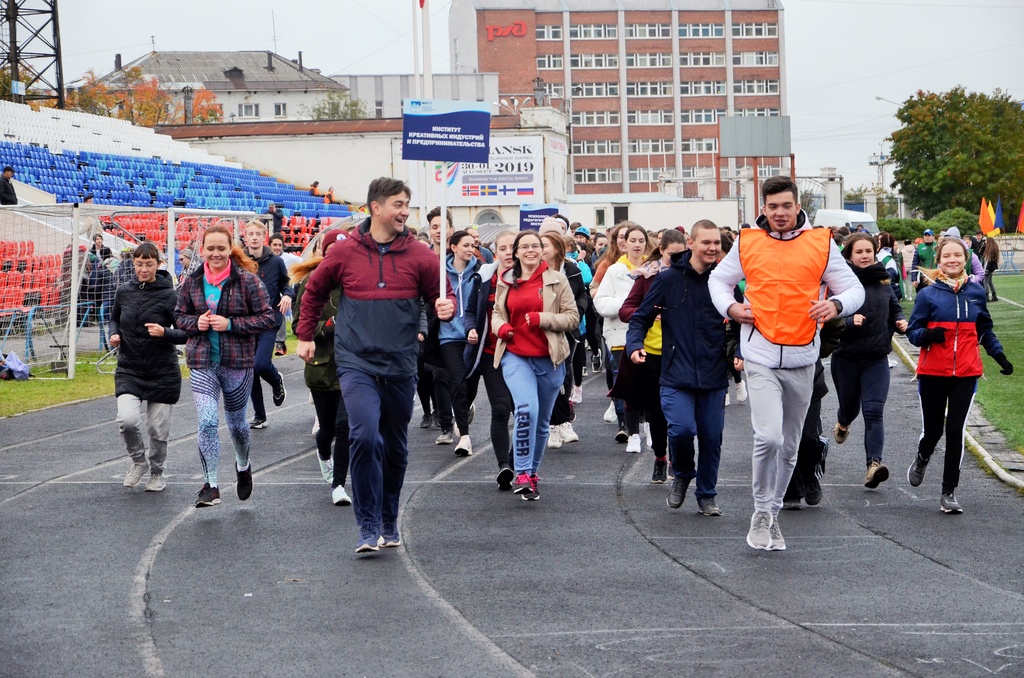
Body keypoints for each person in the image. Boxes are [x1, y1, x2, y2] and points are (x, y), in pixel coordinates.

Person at [296, 177, 455, 554]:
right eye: (398, 204)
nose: (404, 211)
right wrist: (304, 335)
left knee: (396, 448)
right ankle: (367, 526)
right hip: (356, 363)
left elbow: (442, 300)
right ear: (375, 207)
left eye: (407, 205)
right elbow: (315, 290)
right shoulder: (345, 252)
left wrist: (446, 307)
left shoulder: (421, 256)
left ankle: (388, 517)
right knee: (364, 436)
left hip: (400, 364)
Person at [709, 176, 864, 551]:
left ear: (797, 207)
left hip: (802, 358)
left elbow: (854, 289)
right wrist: (731, 307)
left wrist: (836, 305)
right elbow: (718, 280)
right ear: (763, 208)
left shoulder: (820, 242)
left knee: (791, 447)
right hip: (759, 354)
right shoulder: (747, 242)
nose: (780, 213)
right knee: (768, 437)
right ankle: (760, 511)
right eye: (773, 206)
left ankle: (773, 514)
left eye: (786, 206)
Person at [907, 237, 1012, 513]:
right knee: (933, 431)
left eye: (958, 255)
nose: (952, 260)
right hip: (932, 373)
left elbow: (985, 330)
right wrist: (927, 334)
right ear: (939, 261)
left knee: (955, 430)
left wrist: (998, 354)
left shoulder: (976, 293)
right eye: (947, 256)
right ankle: (922, 455)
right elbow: (913, 333)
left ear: (965, 259)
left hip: (966, 373)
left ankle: (948, 491)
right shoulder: (927, 295)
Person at [174, 223, 276, 508]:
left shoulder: (247, 281)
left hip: (237, 362)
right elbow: (179, 317)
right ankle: (211, 485)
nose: (216, 253)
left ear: (230, 249)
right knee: (206, 421)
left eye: (221, 248)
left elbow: (268, 319)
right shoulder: (191, 282)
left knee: (237, 426)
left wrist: (231, 324)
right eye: (210, 248)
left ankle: (243, 466)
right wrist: (197, 323)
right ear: (202, 250)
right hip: (202, 362)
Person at [627, 221, 727, 513]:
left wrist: (739, 352)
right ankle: (682, 474)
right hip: (675, 373)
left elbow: (740, 321)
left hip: (713, 374)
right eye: (705, 242)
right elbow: (640, 317)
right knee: (681, 431)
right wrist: (635, 345)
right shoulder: (668, 279)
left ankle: (707, 494)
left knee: (711, 438)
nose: (711, 248)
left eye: (716, 243)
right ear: (691, 244)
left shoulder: (724, 280)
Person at [491, 230, 579, 501]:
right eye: (524, 247)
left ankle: (532, 474)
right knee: (526, 410)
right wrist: (501, 327)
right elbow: (496, 312)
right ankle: (521, 473)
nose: (530, 250)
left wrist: (543, 318)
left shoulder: (557, 280)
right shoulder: (506, 280)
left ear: (543, 251)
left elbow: (572, 317)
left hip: (549, 359)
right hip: (515, 355)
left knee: (541, 422)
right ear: (515, 252)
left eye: (536, 246)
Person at [830, 233, 908, 489]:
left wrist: (899, 320)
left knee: (874, 411)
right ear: (849, 256)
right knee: (850, 409)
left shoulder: (882, 278)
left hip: (876, 357)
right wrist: (848, 321)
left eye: (868, 251)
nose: (865, 256)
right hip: (847, 358)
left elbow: (894, 305)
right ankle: (843, 422)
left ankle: (873, 466)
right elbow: (827, 316)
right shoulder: (839, 281)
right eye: (859, 252)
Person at [109, 242, 187, 493]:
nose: (143, 269)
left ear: (158, 264)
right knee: (127, 420)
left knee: (157, 429)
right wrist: (114, 334)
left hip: (162, 371)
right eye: (139, 264)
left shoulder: (170, 295)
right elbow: (114, 319)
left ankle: (157, 472)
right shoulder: (124, 291)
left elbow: (186, 333)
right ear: (133, 264)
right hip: (129, 368)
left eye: (149, 264)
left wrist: (165, 332)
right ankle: (138, 461)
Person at [618, 227, 688, 484]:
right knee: (658, 412)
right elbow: (627, 310)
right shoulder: (647, 276)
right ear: (661, 251)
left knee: (682, 415)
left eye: (684, 255)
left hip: (683, 353)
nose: (680, 261)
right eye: (673, 256)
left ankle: (678, 458)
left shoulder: (693, 275)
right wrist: (648, 313)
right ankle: (661, 457)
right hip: (653, 353)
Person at [291, 229, 352, 506]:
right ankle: (323, 454)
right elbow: (298, 327)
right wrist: (328, 326)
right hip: (322, 365)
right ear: (324, 254)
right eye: (332, 253)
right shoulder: (311, 283)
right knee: (326, 429)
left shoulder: (357, 283)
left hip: (352, 365)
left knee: (344, 426)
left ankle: (339, 484)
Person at [464, 229, 517, 489]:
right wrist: (471, 329)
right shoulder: (484, 278)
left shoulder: (532, 279)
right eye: (503, 248)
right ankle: (504, 465)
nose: (508, 253)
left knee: (525, 412)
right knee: (500, 408)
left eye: (512, 248)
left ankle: (517, 460)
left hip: (523, 353)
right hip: (490, 353)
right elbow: (470, 311)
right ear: (495, 252)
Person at [594, 223, 649, 443]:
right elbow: (601, 303)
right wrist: (629, 305)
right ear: (624, 243)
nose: (636, 244)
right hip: (619, 335)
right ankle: (629, 429)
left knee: (647, 384)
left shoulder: (652, 268)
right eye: (632, 240)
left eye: (640, 240)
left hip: (649, 336)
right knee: (628, 384)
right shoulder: (614, 270)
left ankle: (649, 428)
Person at [430, 228, 481, 455]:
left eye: (473, 246)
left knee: (470, 383)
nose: (470, 249)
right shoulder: (440, 274)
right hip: (448, 336)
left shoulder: (479, 272)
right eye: (466, 246)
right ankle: (465, 436)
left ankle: (465, 408)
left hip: (472, 336)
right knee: (457, 382)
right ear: (453, 247)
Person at [243, 220, 292, 429]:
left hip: (269, 320)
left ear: (264, 236)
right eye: (250, 234)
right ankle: (260, 416)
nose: (254, 237)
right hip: (246, 322)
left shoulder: (276, 262)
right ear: (245, 237)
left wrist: (288, 295)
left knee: (260, 364)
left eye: (257, 234)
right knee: (250, 370)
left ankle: (276, 381)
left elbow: (286, 284)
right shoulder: (240, 260)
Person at [539, 231, 586, 448]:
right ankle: (551, 424)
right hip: (541, 330)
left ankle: (563, 421)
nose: (540, 250)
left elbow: (581, 296)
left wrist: (576, 314)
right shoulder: (534, 271)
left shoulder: (571, 270)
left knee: (563, 376)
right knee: (547, 379)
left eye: (545, 245)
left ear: (557, 248)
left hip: (566, 330)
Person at [268, 233, 301, 355]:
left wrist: (294, 277)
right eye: (274, 245)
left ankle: (280, 343)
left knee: (280, 310)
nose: (277, 247)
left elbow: (302, 263)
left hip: (283, 293)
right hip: (268, 292)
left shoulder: (288, 258)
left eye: (279, 245)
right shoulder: (266, 259)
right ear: (270, 245)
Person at [983, 236, 1000, 302]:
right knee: (989, 281)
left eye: (986, 241)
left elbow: (988, 261)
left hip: (988, 268)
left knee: (986, 282)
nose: (985, 242)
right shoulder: (993, 249)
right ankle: (994, 295)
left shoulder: (990, 250)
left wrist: (986, 269)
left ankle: (986, 296)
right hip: (991, 268)